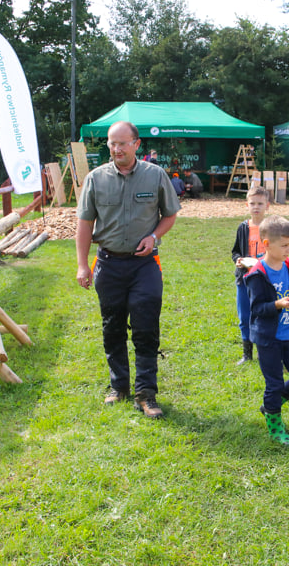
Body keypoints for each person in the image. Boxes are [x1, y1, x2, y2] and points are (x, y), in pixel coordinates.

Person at [76, 121, 180, 419]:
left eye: (123, 143)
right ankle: (118, 386)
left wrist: (154, 236)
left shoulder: (155, 175)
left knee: (146, 327)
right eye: (112, 143)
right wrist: (83, 265)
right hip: (108, 264)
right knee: (113, 326)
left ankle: (146, 393)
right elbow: (84, 225)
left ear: (136, 144)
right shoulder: (96, 179)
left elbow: (170, 215)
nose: (117, 149)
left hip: (144, 265)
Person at [244, 215, 289, 447]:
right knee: (274, 384)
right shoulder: (256, 274)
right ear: (266, 244)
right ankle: (275, 428)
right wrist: (277, 304)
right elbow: (256, 309)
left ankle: (270, 406)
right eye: (284, 245)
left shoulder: (288, 264)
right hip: (268, 339)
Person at [230, 186, 270, 365]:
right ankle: (247, 354)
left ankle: (265, 351)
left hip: (266, 279)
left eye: (260, 203)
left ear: (267, 206)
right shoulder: (243, 227)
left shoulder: (272, 227)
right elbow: (236, 251)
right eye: (252, 203)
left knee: (264, 315)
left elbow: (279, 250)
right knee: (244, 316)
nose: (256, 207)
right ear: (247, 204)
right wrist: (238, 260)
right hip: (244, 279)